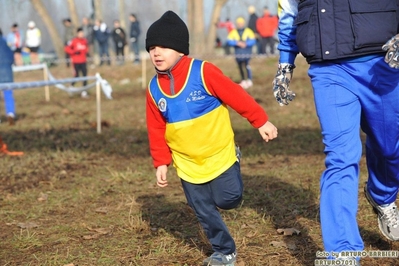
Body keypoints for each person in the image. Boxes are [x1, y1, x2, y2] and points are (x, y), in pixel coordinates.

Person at [145, 10, 278, 266]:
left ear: (180, 49)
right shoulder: (153, 88)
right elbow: (155, 126)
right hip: (186, 163)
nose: (156, 53)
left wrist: (260, 120)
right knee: (203, 210)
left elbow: (236, 95)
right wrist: (161, 161)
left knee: (227, 200)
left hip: (219, 154)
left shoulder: (203, 71)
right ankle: (224, 251)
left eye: (163, 46)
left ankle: (235, 161)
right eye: (152, 48)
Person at [274, 1, 399, 265]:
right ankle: (342, 251)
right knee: (340, 157)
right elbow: (288, 9)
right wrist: (285, 62)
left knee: (389, 147)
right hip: (329, 68)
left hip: (383, 63)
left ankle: (382, 194)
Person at [226, 17, 256, 89]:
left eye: (241, 23)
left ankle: (249, 79)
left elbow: (253, 40)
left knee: (247, 65)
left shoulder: (248, 31)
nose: (240, 25)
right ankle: (243, 80)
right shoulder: (233, 32)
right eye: (239, 23)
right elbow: (229, 41)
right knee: (240, 66)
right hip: (238, 52)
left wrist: (246, 44)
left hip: (247, 51)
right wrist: (236, 43)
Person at [64, 27, 89, 97]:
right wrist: (74, 52)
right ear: (77, 34)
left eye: (82, 33)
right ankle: (71, 87)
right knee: (76, 76)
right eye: (80, 33)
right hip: (76, 62)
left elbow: (87, 48)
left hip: (83, 61)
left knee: (85, 76)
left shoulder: (85, 41)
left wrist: (86, 52)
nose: (81, 34)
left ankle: (84, 91)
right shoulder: (73, 41)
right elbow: (66, 48)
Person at [0, 34, 16, 125]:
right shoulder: (6, 42)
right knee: (8, 94)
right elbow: (11, 57)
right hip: (7, 72)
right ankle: (10, 113)